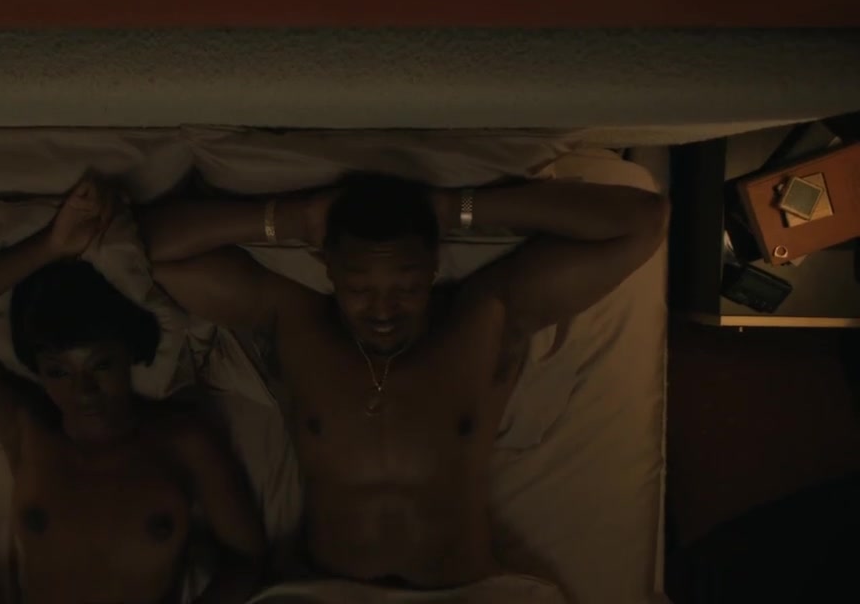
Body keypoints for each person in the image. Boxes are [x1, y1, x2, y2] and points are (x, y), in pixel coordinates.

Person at [140, 171, 668, 590]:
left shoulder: (484, 319)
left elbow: (643, 220)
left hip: (463, 593)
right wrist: (294, 219)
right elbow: (158, 249)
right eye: (359, 289)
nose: (383, 310)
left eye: (408, 287)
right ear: (327, 268)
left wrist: (453, 210)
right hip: (330, 593)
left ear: (434, 265)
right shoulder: (296, 324)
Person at [0, 177, 267, 604]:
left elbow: (246, 558)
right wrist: (49, 247)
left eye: (100, 365)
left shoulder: (183, 441)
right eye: (58, 372)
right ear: (38, 371)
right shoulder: (30, 433)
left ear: (128, 355)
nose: (84, 390)